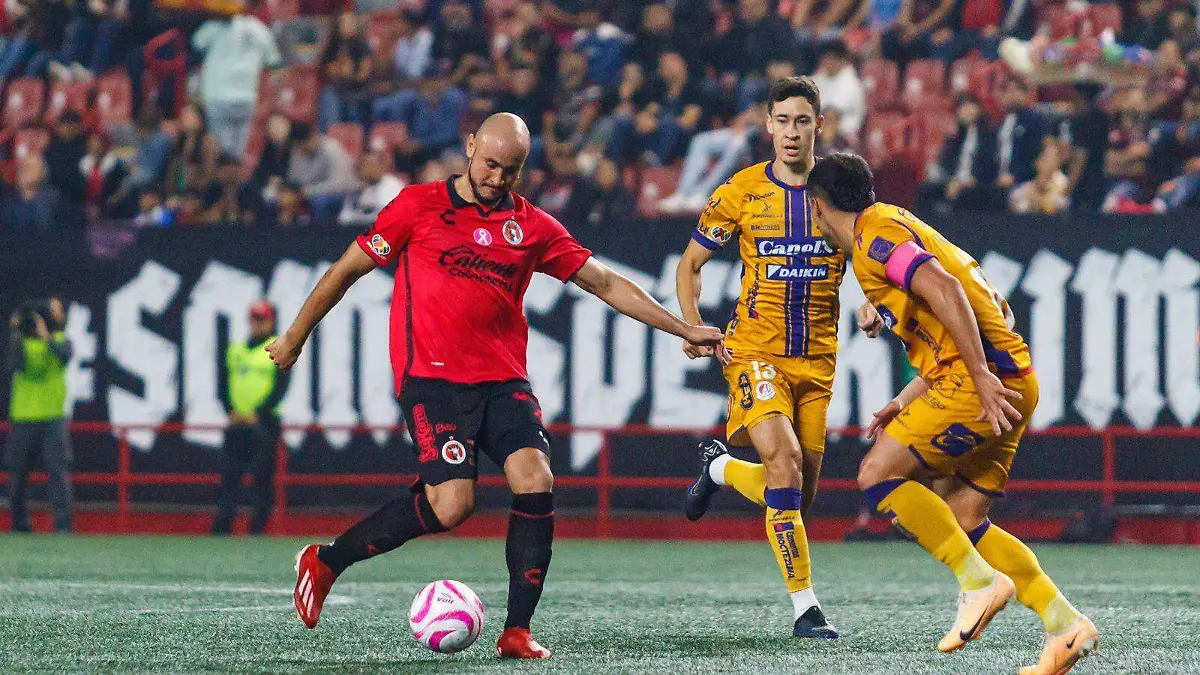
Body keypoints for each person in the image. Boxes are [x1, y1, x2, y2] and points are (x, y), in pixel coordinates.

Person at [274, 112, 724, 659]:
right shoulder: (417, 206)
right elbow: (347, 269)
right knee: (452, 506)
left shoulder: (532, 226)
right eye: (489, 164)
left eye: (509, 171)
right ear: (469, 148)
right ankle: (325, 562)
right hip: (432, 380)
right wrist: (296, 336)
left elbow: (604, 282)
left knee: (535, 476)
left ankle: (516, 631)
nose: (496, 179)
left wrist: (682, 327)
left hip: (504, 379)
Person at [805, 152, 1098, 675]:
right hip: (1014, 380)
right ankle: (1065, 625)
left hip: (982, 382)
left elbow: (945, 288)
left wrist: (980, 374)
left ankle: (980, 583)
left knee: (877, 474)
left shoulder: (874, 242)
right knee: (963, 519)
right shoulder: (896, 224)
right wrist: (905, 397)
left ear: (819, 206)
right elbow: (958, 305)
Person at [677, 77, 871, 639]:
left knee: (797, 494)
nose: (791, 132)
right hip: (754, 352)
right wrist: (692, 325)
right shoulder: (740, 191)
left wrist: (871, 305)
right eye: (781, 121)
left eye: (802, 121)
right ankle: (806, 608)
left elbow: (869, 254)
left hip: (817, 361)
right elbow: (690, 265)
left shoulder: (839, 189)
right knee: (783, 462)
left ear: (819, 125)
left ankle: (718, 468)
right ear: (768, 125)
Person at [213, 301, 290, 535]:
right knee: (229, 476)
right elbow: (222, 383)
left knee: (261, 478)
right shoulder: (235, 350)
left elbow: (280, 388)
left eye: (262, 319)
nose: (257, 323)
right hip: (236, 424)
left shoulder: (278, 348)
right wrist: (230, 410)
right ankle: (222, 529)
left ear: (271, 321)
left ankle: (257, 531)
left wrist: (259, 413)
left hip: (264, 424)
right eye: (254, 318)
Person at [6, 298, 73, 533]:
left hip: (52, 418)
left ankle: (63, 527)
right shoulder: (21, 344)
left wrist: (45, 336)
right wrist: (16, 331)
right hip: (24, 418)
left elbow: (65, 355)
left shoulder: (60, 341)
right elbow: (12, 365)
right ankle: (20, 524)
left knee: (58, 475)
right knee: (17, 477)